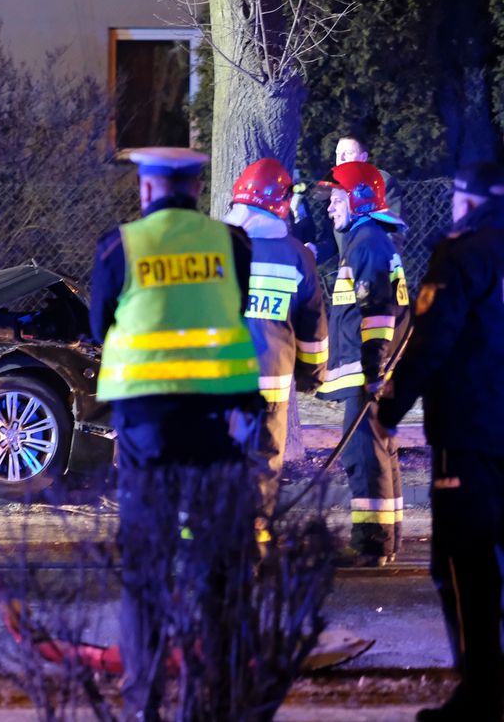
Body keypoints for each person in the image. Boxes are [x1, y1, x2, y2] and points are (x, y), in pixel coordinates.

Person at [89, 147, 263, 719]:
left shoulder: (122, 246)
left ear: (146, 191)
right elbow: (233, 307)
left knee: (146, 569)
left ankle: (145, 700)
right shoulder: (232, 244)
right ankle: (222, 692)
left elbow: (99, 324)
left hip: (148, 434)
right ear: (195, 190)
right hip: (220, 428)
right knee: (218, 565)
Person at [377, 162, 504, 721]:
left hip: (472, 434)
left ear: (469, 201)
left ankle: (480, 696)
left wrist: (388, 407)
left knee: (465, 564)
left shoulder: (464, 254)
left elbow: (431, 341)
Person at [315, 160, 410, 567]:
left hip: (369, 371)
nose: (330, 208)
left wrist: (373, 371)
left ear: (358, 199)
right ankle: (387, 539)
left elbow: (376, 312)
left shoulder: (367, 242)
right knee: (379, 452)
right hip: (376, 370)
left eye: (336, 198)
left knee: (364, 456)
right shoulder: (369, 240)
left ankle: (373, 544)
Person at [223, 158, 328, 519]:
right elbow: (313, 330)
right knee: (262, 467)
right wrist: (312, 376)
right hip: (269, 386)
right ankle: (254, 544)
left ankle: (201, 546)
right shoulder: (297, 256)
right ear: (281, 203)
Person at [297, 136, 404, 264]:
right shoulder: (336, 190)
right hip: (348, 272)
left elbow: (394, 229)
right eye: (338, 154)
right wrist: (317, 251)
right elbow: (332, 240)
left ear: (363, 158)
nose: (341, 159)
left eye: (348, 153)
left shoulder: (381, 182)